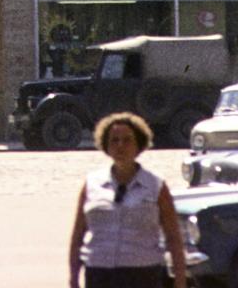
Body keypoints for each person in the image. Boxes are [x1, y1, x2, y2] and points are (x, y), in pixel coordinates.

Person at [68, 112, 187, 288]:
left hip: (142, 275)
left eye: (127, 140)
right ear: (106, 145)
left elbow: (174, 238)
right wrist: (73, 278)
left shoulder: (155, 186)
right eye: (114, 140)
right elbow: (77, 236)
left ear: (139, 144)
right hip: (99, 274)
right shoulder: (92, 184)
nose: (120, 146)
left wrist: (180, 281)